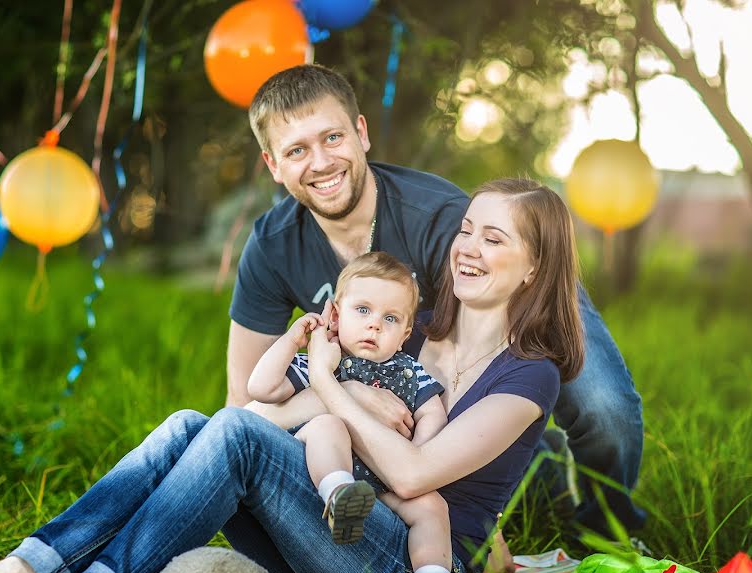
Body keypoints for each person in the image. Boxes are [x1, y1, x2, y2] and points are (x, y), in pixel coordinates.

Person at [0, 177, 585, 573]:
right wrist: (333, 394)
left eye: (493, 239)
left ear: (533, 266)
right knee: (188, 425)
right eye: (466, 228)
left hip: (407, 572)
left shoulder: (530, 374)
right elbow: (264, 411)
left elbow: (411, 475)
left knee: (227, 432)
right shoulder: (408, 328)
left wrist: (323, 381)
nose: (467, 247)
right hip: (329, 528)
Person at [228, 63, 646, 537]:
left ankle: (607, 532)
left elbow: (491, 328)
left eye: (332, 138)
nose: (321, 162)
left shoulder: (441, 222)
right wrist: (344, 394)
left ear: (361, 133)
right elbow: (243, 399)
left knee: (604, 407)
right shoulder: (272, 245)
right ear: (274, 165)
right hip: (379, 408)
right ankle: (535, 470)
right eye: (298, 150)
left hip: (506, 309)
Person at [248, 251, 457, 573]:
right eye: (363, 310)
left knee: (433, 507)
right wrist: (291, 340)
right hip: (320, 469)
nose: (374, 324)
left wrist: (414, 453)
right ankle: (339, 495)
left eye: (390, 318)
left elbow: (433, 413)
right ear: (335, 313)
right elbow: (261, 389)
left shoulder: (409, 370)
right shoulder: (322, 361)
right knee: (329, 426)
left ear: (405, 333)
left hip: (383, 479)